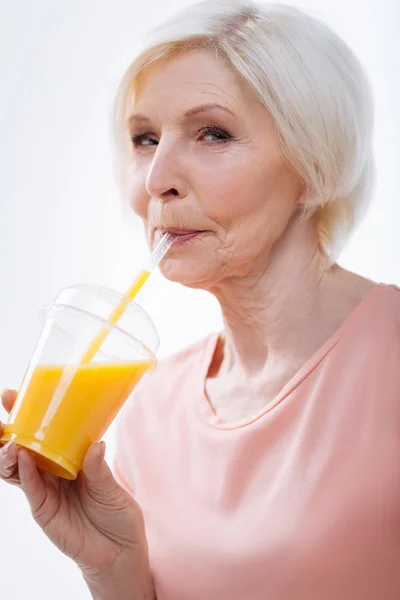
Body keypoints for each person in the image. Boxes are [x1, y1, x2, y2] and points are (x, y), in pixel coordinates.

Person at [1, 1, 400, 599]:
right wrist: (112, 568)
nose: (157, 177)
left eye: (213, 132)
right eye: (144, 138)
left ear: (313, 165)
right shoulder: (145, 408)